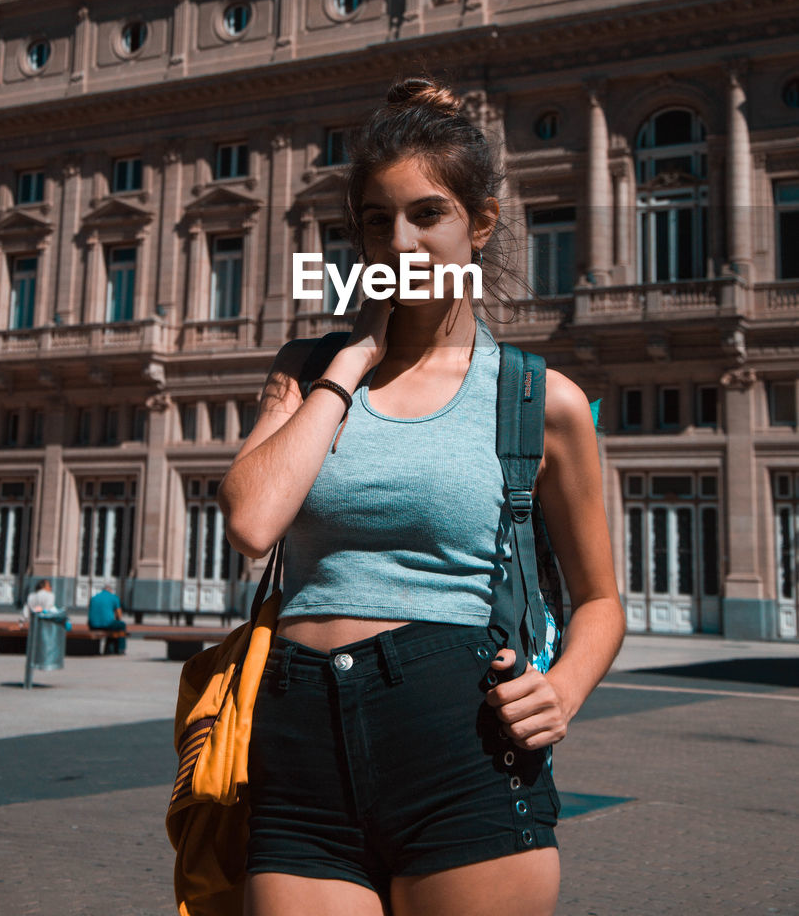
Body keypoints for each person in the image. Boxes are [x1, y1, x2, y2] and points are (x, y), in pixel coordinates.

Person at [220, 76, 625, 916]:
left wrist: (565, 690)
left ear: (479, 223)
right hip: (299, 750)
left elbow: (598, 599)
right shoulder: (307, 369)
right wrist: (351, 360)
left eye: (426, 214)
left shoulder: (535, 398)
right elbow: (253, 523)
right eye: (376, 220)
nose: (399, 241)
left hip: (461, 749)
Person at [87, 584, 127, 655]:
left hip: (92, 624)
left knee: (112, 627)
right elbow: (119, 615)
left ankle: (106, 649)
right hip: (107, 624)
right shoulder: (114, 597)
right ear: (111, 591)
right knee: (121, 625)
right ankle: (121, 649)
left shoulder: (94, 597)